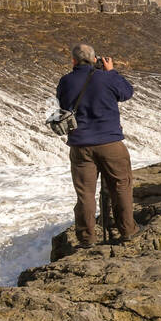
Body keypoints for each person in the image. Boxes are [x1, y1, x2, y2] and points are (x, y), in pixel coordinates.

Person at [56, 43, 139, 246]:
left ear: (73, 61)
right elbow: (127, 93)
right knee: (121, 188)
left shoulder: (65, 81)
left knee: (85, 194)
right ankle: (127, 231)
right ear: (95, 59)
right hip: (110, 143)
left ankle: (86, 238)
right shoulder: (107, 78)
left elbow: (62, 103)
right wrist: (112, 72)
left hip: (81, 146)